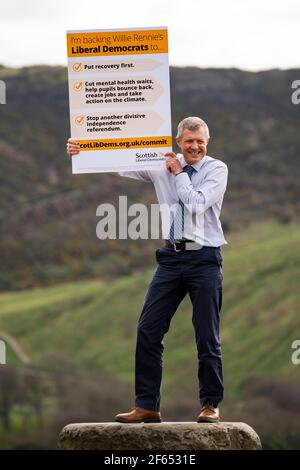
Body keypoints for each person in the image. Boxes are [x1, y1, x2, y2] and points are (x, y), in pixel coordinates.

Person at [67, 116, 228, 423]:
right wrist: (83, 150)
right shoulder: (161, 162)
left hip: (204, 258)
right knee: (148, 330)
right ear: (178, 141)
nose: (195, 146)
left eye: (200, 141)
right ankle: (147, 406)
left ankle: (210, 404)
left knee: (207, 335)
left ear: (207, 142)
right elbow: (121, 161)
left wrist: (179, 174)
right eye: (189, 141)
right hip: (171, 258)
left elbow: (194, 203)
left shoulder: (216, 169)